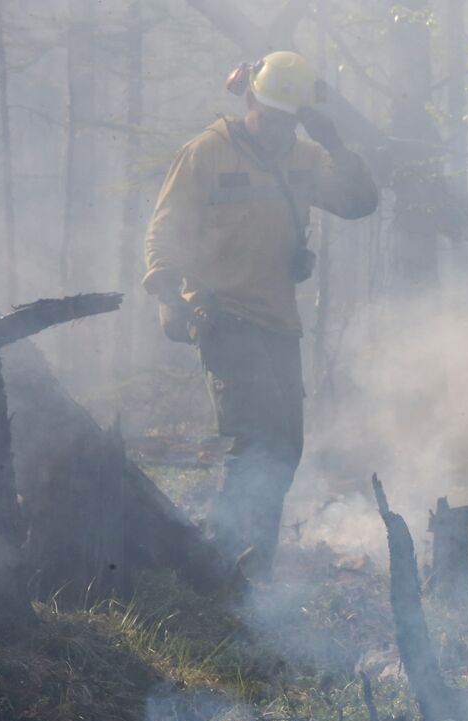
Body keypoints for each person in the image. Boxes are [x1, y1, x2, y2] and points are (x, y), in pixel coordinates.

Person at [143, 51, 378, 579]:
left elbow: (360, 201)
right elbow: (165, 229)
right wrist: (165, 293)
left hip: (279, 324)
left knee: (286, 448)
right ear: (250, 100)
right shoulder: (206, 152)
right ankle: (229, 571)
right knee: (258, 443)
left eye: (290, 118)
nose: (279, 127)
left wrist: (336, 142)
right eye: (272, 113)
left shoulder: (307, 158)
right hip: (221, 314)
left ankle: (251, 570)